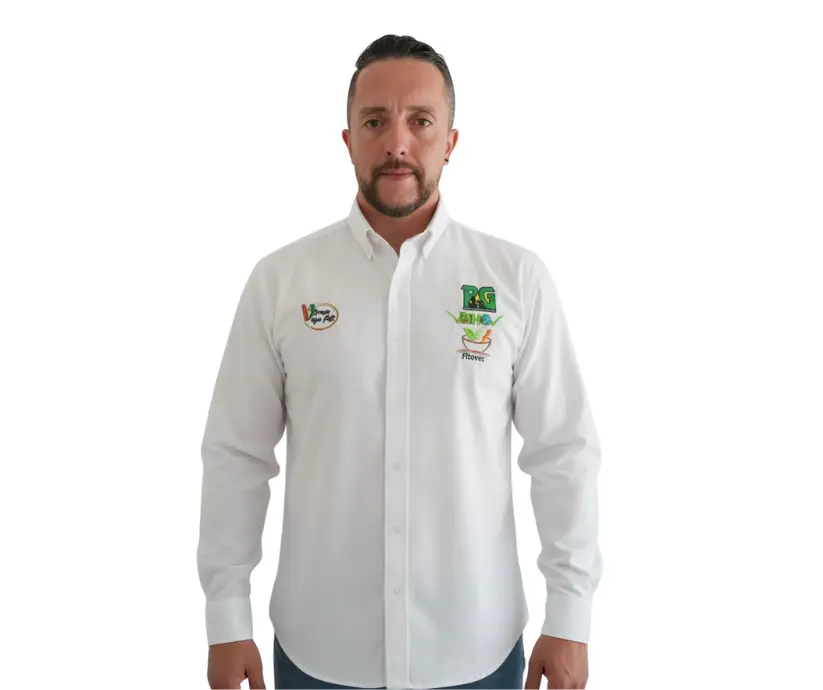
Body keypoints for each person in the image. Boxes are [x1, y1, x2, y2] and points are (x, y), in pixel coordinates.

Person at [197, 34, 603, 690]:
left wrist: (571, 616)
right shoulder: (281, 282)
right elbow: (236, 455)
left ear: (450, 140)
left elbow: (563, 453)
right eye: (374, 122)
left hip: (475, 651)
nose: (397, 143)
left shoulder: (515, 280)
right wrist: (226, 616)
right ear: (347, 140)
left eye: (420, 121)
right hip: (319, 652)